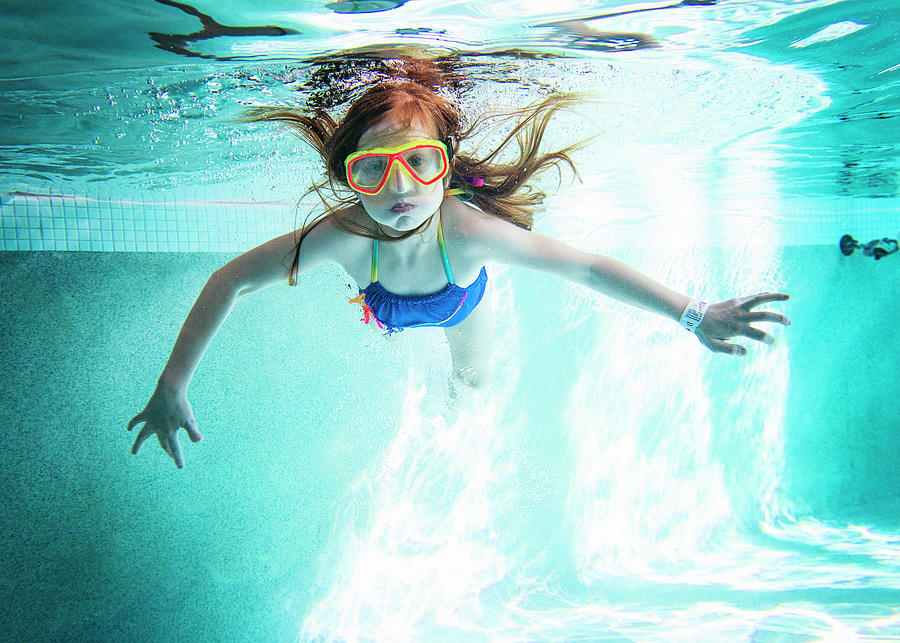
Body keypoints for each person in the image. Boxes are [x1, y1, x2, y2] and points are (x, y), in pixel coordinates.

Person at [128, 79, 790, 469]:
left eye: (420, 164)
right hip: (383, 303)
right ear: (347, 180)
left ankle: (451, 447)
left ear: (447, 166)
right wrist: (173, 380)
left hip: (458, 303)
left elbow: (587, 268)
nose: (400, 190)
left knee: (472, 381)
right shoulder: (343, 236)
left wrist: (693, 312)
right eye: (371, 171)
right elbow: (231, 280)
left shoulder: (466, 232)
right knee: (385, 332)